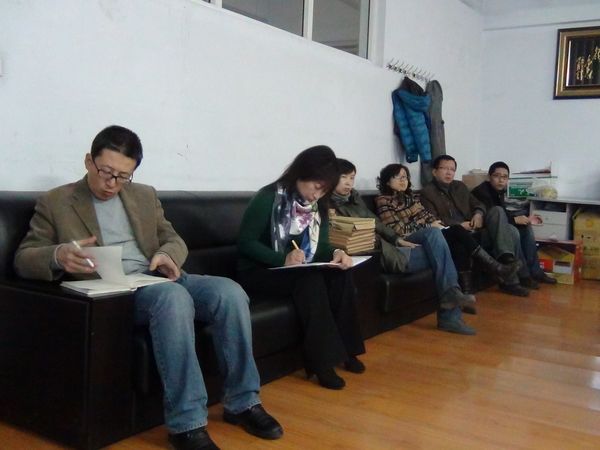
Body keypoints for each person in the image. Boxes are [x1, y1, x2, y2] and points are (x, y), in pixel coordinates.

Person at [14, 125, 282, 450]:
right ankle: (187, 425)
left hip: (156, 276)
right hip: (114, 292)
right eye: (106, 172)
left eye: (123, 176)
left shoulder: (143, 195)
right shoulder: (56, 202)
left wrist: (167, 255)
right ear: (88, 161)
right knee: (173, 297)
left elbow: (173, 238)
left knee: (230, 293)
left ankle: (243, 402)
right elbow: (24, 257)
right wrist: (58, 255)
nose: (112, 184)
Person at [237, 146, 366, 390]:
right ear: (301, 174)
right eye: (316, 187)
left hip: (297, 268)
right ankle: (323, 363)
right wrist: (281, 259)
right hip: (259, 271)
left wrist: (337, 254)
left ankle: (348, 350)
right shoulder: (268, 198)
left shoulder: (317, 204)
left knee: (341, 274)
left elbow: (321, 245)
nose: (318, 195)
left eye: (324, 190)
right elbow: (246, 243)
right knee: (310, 281)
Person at [331, 159, 476, 335]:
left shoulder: (354, 199)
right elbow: (346, 237)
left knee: (437, 239)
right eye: (343, 177)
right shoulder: (328, 206)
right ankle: (450, 312)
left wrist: (397, 239)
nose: (348, 183)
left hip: (393, 247)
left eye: (352, 178)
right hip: (382, 254)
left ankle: (451, 302)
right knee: (441, 250)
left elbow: (376, 223)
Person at [420, 155, 530, 297]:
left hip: (475, 231)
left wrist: (478, 214)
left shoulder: (459, 186)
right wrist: (460, 225)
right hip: (455, 235)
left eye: (452, 169)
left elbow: (478, 204)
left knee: (508, 225)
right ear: (434, 172)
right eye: (444, 168)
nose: (449, 172)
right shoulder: (427, 193)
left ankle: (507, 260)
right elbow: (433, 219)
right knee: (509, 231)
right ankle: (510, 281)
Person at [471, 161, 556, 286]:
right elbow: (493, 217)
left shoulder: (500, 192)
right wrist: (514, 220)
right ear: (489, 177)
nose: (501, 180)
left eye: (504, 177)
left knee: (525, 227)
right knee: (513, 231)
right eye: (496, 176)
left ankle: (536, 272)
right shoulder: (482, 192)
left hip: (497, 228)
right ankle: (523, 275)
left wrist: (521, 219)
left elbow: (504, 215)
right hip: (484, 231)